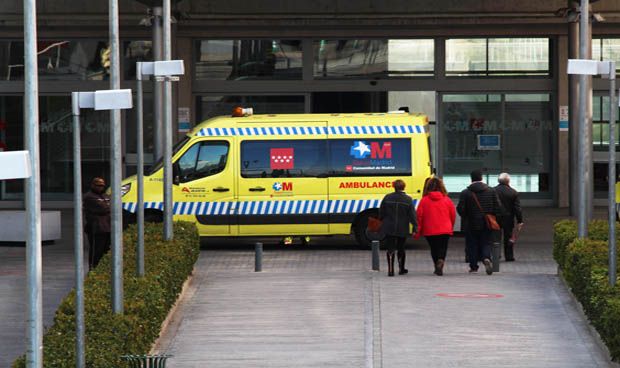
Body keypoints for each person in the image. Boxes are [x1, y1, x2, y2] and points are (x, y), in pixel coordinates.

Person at [457, 170, 502, 275]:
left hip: (471, 222)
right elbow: (498, 206)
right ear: (481, 178)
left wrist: (465, 216)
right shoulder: (491, 191)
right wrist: (494, 217)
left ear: (471, 178)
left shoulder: (465, 192)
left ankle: (473, 267)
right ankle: (486, 258)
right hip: (487, 222)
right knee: (486, 242)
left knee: (472, 244)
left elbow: (460, 209)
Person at [415, 177, 456, 276]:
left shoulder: (424, 201)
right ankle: (441, 260)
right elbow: (453, 215)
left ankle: (436, 265)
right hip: (445, 228)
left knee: (434, 248)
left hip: (429, 229)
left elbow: (419, 216)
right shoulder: (447, 200)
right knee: (443, 247)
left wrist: (418, 230)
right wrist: (451, 226)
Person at [379, 179, 418, 277]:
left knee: (390, 248)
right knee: (401, 248)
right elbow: (412, 216)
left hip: (389, 227)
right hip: (402, 227)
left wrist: (381, 221)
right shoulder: (408, 199)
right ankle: (401, 268)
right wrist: (415, 228)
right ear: (404, 187)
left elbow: (381, 212)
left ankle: (390, 270)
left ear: (394, 187)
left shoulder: (387, 197)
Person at [495, 173, 524, 262]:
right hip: (508, 218)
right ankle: (509, 256)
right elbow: (517, 208)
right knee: (508, 237)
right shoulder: (513, 192)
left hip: (495, 217)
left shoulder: (493, 191)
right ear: (508, 181)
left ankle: (496, 255)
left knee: (496, 237)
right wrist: (520, 220)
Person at [84, 177, 111, 270]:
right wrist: (109, 206)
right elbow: (103, 209)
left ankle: (102, 270)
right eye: (98, 185)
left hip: (107, 228)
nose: (101, 188)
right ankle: (93, 269)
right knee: (96, 251)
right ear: (93, 185)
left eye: (102, 186)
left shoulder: (105, 196)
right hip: (96, 229)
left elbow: (112, 206)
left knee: (106, 251)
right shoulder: (89, 196)